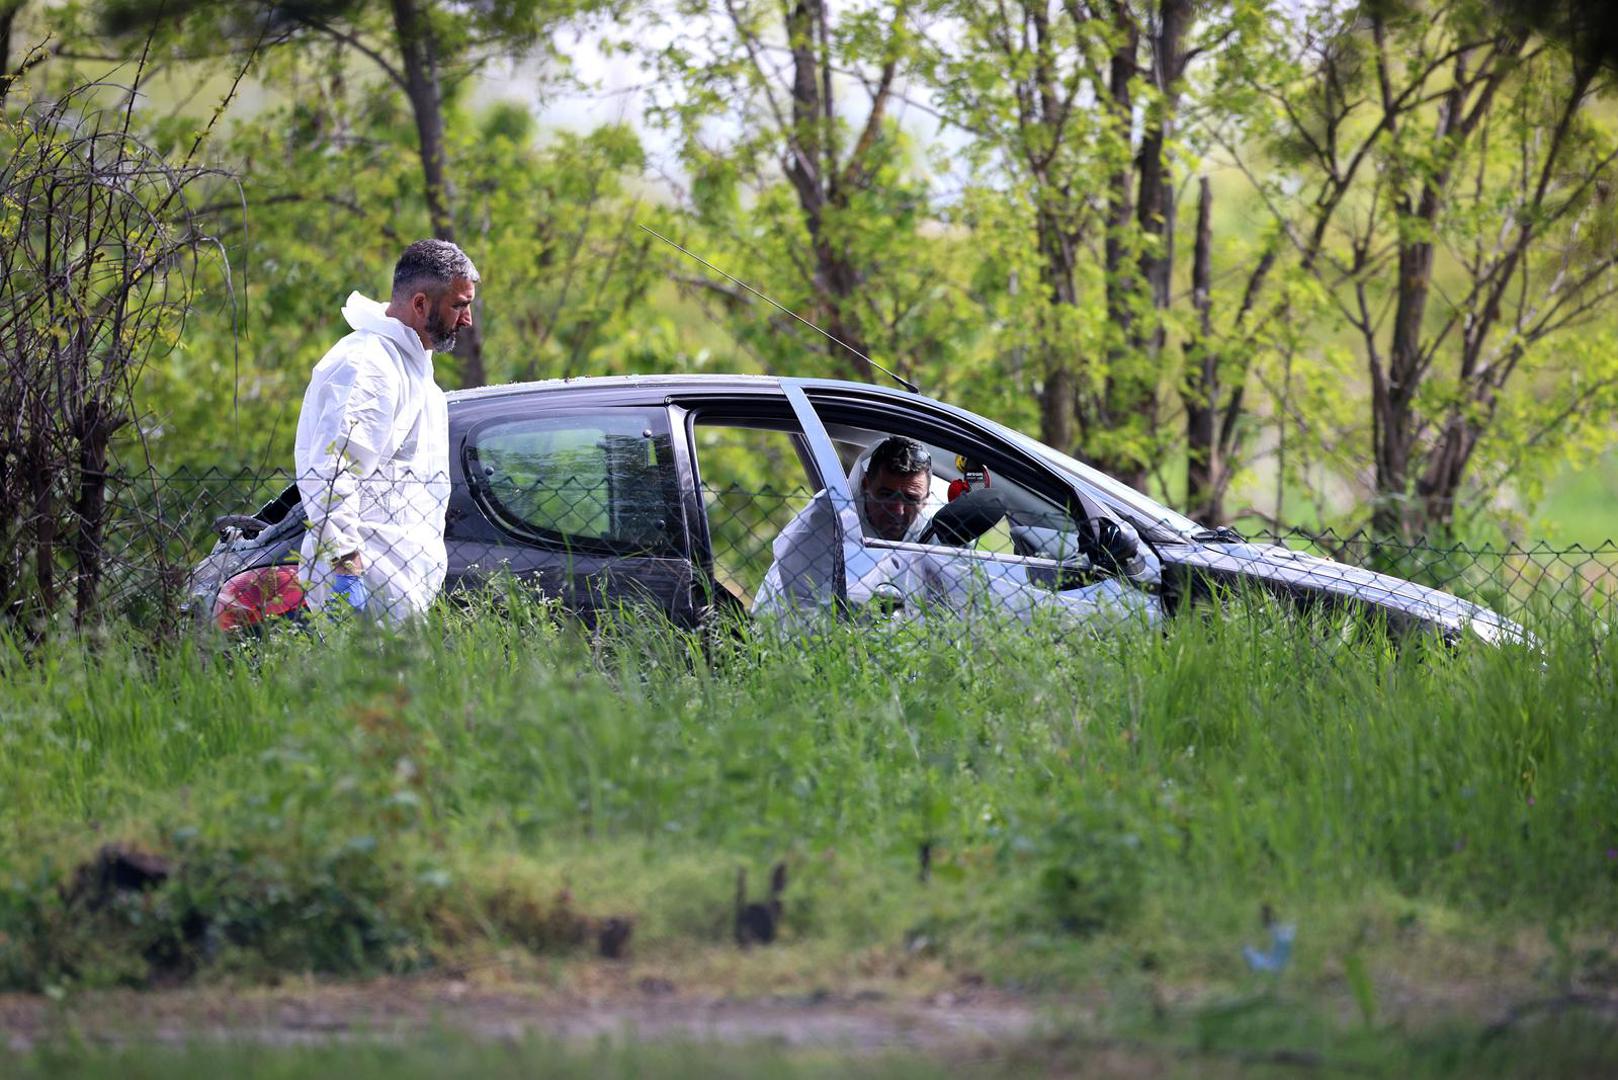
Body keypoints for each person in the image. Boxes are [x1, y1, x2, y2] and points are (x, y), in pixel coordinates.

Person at [293, 239, 479, 621]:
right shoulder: (368, 365)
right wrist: (345, 564)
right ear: (421, 304)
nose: (467, 319)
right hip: (363, 581)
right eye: (459, 305)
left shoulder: (412, 368)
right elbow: (330, 472)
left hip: (399, 588)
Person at [754, 435, 942, 614]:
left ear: (926, 499)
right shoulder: (829, 517)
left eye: (910, 499)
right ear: (865, 485)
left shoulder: (932, 531)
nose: (898, 510)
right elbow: (804, 604)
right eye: (886, 495)